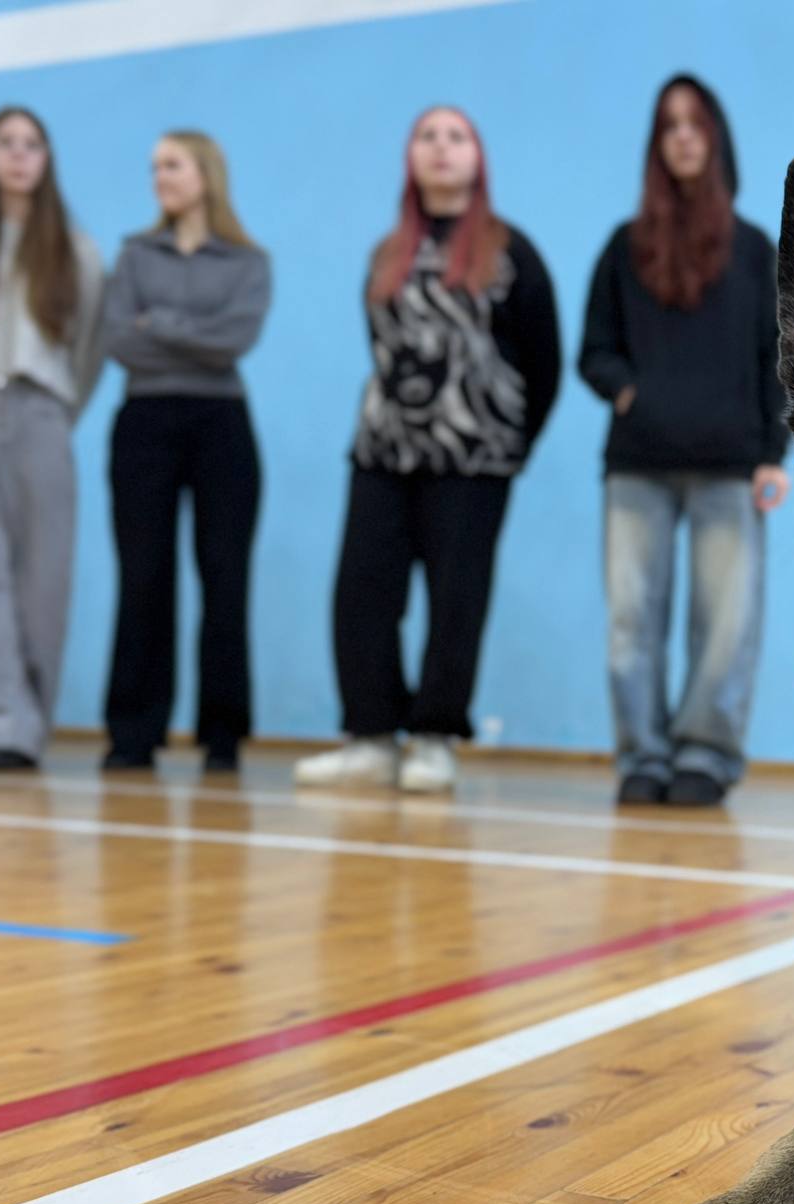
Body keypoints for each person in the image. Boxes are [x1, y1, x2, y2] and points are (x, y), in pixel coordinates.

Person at [296, 105, 560, 795]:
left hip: (474, 461)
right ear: (411, 156)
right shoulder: (388, 254)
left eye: (456, 136)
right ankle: (371, 737)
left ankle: (435, 738)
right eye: (427, 136)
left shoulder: (510, 251)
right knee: (362, 591)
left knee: (455, 598)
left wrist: (510, 445)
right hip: (383, 452)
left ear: (477, 157)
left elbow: (544, 360)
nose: (440, 148)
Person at [577, 74, 788, 808]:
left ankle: (703, 753)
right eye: (670, 125)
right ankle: (643, 756)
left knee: (725, 623)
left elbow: (779, 358)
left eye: (696, 123)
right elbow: (594, 351)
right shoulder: (623, 249)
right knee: (632, 619)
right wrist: (631, 393)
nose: (685, 136)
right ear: (656, 146)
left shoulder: (758, 250)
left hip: (731, 467)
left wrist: (775, 455)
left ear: (717, 138)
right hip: (636, 466)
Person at [0, 106, 105, 771]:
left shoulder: (78, 253)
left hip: (42, 410)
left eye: (33, 143)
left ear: (48, 158)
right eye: (5, 143)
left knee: (41, 576)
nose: (18, 155)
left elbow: (89, 349)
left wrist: (56, 411)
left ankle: (24, 724)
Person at [99, 130, 270, 775]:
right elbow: (119, 340)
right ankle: (132, 733)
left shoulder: (248, 262)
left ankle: (222, 735)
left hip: (222, 425)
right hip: (145, 422)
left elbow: (235, 341)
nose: (159, 178)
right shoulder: (135, 256)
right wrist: (186, 334)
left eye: (170, 165)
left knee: (224, 579)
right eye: (153, 168)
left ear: (206, 173)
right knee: (143, 577)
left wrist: (161, 323)